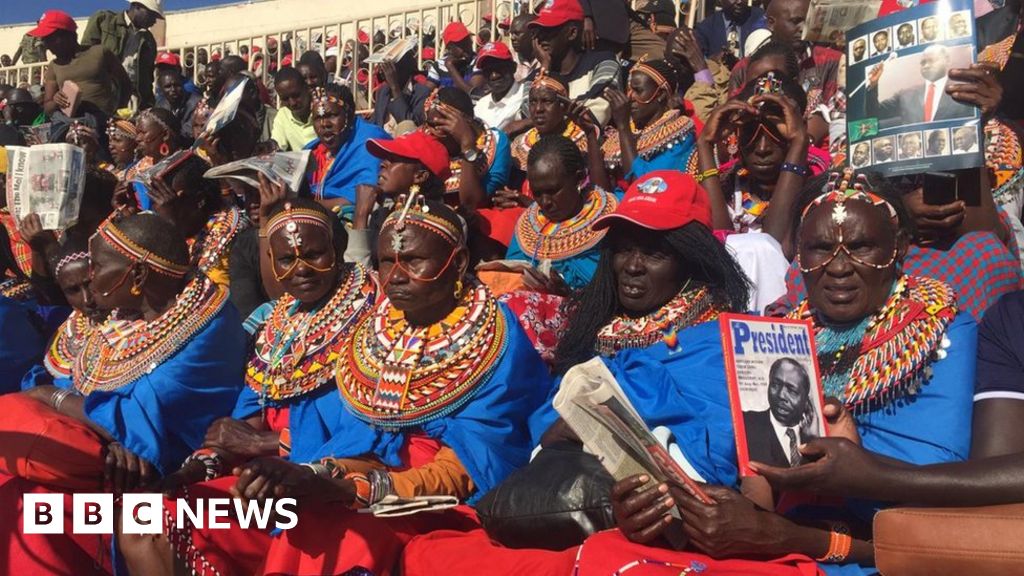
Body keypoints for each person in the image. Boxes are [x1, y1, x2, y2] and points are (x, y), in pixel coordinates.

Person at [159, 198, 553, 575]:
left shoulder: (495, 336)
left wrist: (349, 486)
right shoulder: (377, 329)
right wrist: (317, 473)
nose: (396, 276)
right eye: (387, 262)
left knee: (336, 533)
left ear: (459, 261)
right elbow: (360, 439)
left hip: (432, 501)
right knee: (163, 512)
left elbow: (467, 464)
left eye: (413, 260)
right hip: (353, 482)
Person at [399, 170, 756, 575]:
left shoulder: (717, 340)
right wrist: (564, 427)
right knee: (432, 555)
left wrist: (605, 424)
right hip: (565, 504)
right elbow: (545, 426)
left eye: (654, 253)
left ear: (691, 259)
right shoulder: (600, 328)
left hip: (653, 525)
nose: (632, 267)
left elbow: (715, 458)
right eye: (623, 250)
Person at [118, 198, 378, 575]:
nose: (301, 269)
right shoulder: (276, 321)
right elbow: (250, 416)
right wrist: (198, 467)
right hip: (262, 483)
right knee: (143, 518)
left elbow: (378, 431)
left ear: (337, 251)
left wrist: (265, 445)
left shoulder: (374, 315)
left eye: (315, 254)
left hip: (330, 484)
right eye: (287, 260)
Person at [0, 213, 245, 574]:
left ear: (138, 276)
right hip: (103, 462)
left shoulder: (206, 327)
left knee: (28, 507)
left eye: (98, 267)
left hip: (157, 477)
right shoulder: (118, 317)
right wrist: (93, 426)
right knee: (15, 490)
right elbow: (53, 386)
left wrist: (52, 399)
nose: (91, 278)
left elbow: (143, 423)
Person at [506, 135, 619, 293]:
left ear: (578, 179)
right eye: (537, 193)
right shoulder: (529, 226)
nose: (545, 202)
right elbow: (510, 278)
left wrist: (568, 294)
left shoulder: (613, 217)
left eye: (553, 191)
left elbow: (617, 286)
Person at [728, 0, 841, 135]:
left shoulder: (831, 61)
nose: (803, 28)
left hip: (816, 151)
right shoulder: (745, 68)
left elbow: (837, 113)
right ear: (771, 23)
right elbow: (733, 118)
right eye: (796, 21)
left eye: (807, 21)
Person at [145, 155, 247, 286]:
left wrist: (173, 226)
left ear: (199, 200)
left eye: (170, 201)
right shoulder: (192, 231)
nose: (160, 210)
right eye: (157, 200)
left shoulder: (233, 234)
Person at [20, 239, 107, 391]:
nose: (87, 299)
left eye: (90, 283)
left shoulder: (138, 325)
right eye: (73, 290)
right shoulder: (61, 326)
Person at [602, 58, 698, 182]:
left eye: (638, 90)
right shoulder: (627, 133)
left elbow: (642, 183)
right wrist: (591, 135)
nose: (629, 97)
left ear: (661, 94)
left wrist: (623, 126)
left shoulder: (679, 134)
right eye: (628, 90)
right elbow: (601, 188)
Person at [528, 0, 621, 125]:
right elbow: (525, 113)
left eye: (549, 31)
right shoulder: (535, 76)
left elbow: (595, 115)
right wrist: (545, 70)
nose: (541, 37)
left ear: (572, 33)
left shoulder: (604, 63)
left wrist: (541, 119)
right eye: (538, 31)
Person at [305, 84, 390, 212]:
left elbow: (366, 196)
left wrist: (308, 206)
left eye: (332, 115)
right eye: (318, 118)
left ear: (349, 116)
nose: (324, 124)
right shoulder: (313, 152)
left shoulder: (370, 142)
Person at [423, 87, 511, 209]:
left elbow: (473, 204)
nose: (432, 131)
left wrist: (467, 144)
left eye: (440, 124)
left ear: (466, 121)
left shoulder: (496, 141)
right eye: (430, 124)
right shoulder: (424, 141)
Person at [30, 10, 130, 117]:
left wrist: (118, 113)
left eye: (49, 39)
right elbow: (47, 108)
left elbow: (126, 84)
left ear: (68, 35)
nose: (46, 45)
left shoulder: (100, 52)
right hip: (71, 126)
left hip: (102, 124)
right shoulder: (53, 66)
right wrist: (56, 101)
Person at [81, 0, 163, 109]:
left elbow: (148, 78)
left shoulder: (149, 41)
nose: (154, 21)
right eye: (151, 14)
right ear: (136, 6)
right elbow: (84, 56)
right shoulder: (103, 21)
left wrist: (148, 104)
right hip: (101, 96)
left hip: (132, 101)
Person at [866, 45, 976, 126]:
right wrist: (873, 85)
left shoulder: (963, 91)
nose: (926, 66)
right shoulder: (905, 95)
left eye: (931, 61)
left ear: (947, 61)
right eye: (923, 63)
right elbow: (874, 115)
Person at [742, 358, 816, 469]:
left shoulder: (814, 438)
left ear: (806, 400)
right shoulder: (745, 423)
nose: (781, 395)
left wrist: (814, 437)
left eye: (792, 391)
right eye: (776, 385)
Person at [510, 73, 588, 175]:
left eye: (546, 101)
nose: (538, 109)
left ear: (563, 106)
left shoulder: (585, 140)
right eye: (533, 102)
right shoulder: (519, 147)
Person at [124, 107, 184, 209]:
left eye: (143, 132)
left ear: (165, 134)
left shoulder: (186, 167)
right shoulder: (136, 170)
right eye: (137, 133)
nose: (138, 139)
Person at [474, 41, 531, 134]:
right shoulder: (480, 106)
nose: (494, 76)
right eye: (488, 71)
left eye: (499, 68)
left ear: (513, 67)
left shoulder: (527, 96)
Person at [373, 49, 432, 132]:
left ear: (403, 68)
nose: (383, 72)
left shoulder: (421, 93)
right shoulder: (383, 91)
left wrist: (395, 88)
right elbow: (375, 123)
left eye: (389, 67)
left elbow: (408, 127)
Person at [694, 0, 766, 59]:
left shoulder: (761, 18)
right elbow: (699, 60)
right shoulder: (706, 27)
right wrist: (714, 60)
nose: (739, 1)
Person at [270, 66, 317, 151]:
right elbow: (277, 145)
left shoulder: (323, 109)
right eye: (285, 99)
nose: (292, 103)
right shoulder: (283, 115)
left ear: (307, 88)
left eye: (296, 95)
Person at [428, 21, 484, 93]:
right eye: (461, 43)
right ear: (449, 47)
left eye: (468, 40)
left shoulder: (478, 62)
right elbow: (426, 92)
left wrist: (451, 68)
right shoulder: (438, 65)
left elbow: (473, 94)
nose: (468, 45)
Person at [154, 68, 200, 139]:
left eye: (177, 85)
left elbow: (189, 132)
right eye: (168, 86)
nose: (173, 90)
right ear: (161, 89)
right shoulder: (161, 105)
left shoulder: (196, 103)